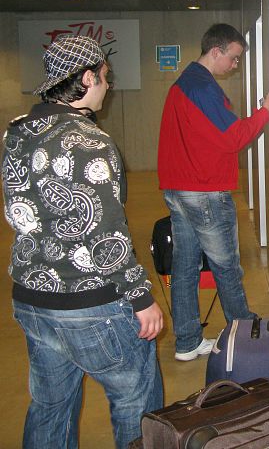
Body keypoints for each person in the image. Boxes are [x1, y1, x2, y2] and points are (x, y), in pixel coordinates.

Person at [2, 35, 163, 449]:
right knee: (135, 402)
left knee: (50, 407)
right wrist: (141, 297)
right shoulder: (91, 143)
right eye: (105, 77)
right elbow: (106, 236)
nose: (108, 87)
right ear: (87, 76)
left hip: (33, 300)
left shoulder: (16, 134)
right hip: (92, 304)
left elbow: (19, 211)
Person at [158, 23, 269, 361]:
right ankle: (244, 334)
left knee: (185, 267)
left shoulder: (183, 84)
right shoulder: (202, 87)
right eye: (234, 57)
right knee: (227, 266)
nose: (235, 65)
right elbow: (234, 138)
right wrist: (265, 112)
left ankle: (187, 341)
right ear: (216, 51)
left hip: (180, 188)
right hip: (205, 190)